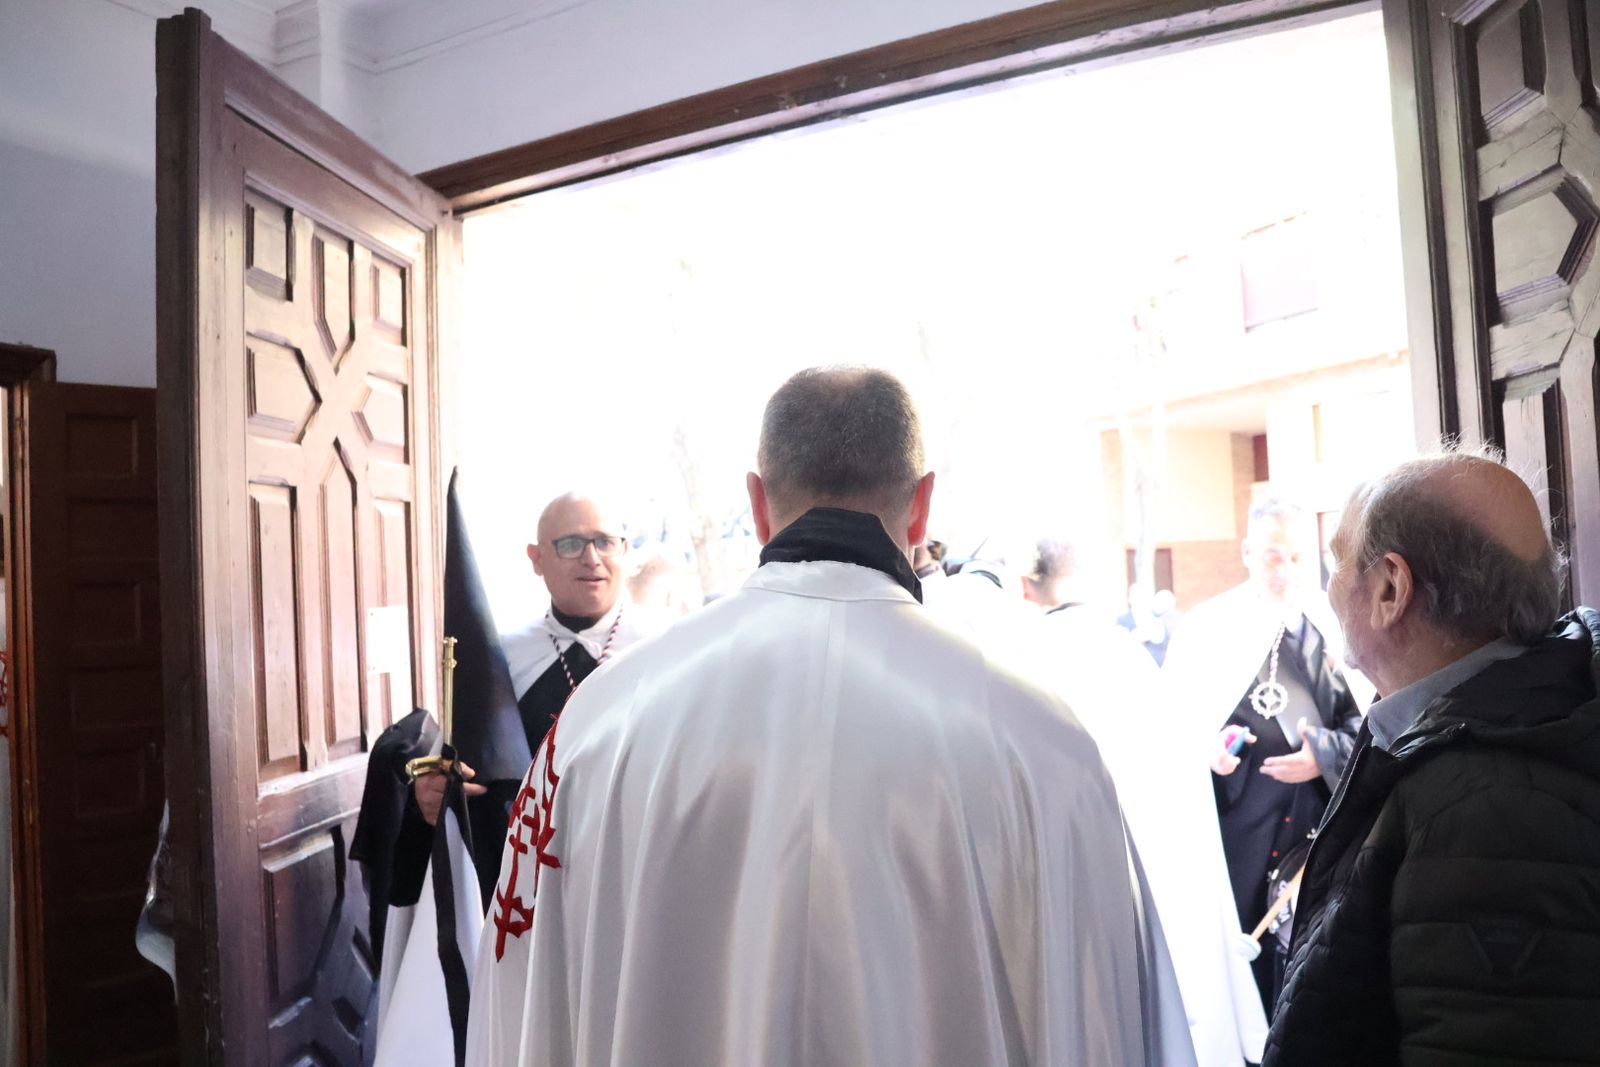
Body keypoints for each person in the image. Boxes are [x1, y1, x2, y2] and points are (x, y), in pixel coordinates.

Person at [466, 366, 1196, 1066]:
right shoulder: (1041, 738)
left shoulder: (601, 721)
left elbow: (524, 1000)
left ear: (757, 503)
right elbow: (1109, 1018)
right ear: (922, 504)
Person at [1264, 451, 1600, 1065]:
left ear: (1391, 588)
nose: (1329, 583)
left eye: (1339, 559)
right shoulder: (1503, 733)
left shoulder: (1488, 811)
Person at [1161, 497, 1365, 1014]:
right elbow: (1170, 728)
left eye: (1298, 557)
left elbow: (1365, 725)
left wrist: (1322, 752)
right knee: (1244, 973)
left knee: (1314, 962)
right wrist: (1203, 750)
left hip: (1314, 828)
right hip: (1237, 830)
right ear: (1248, 551)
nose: (1286, 570)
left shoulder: (1329, 626)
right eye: (1274, 555)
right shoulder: (1207, 628)